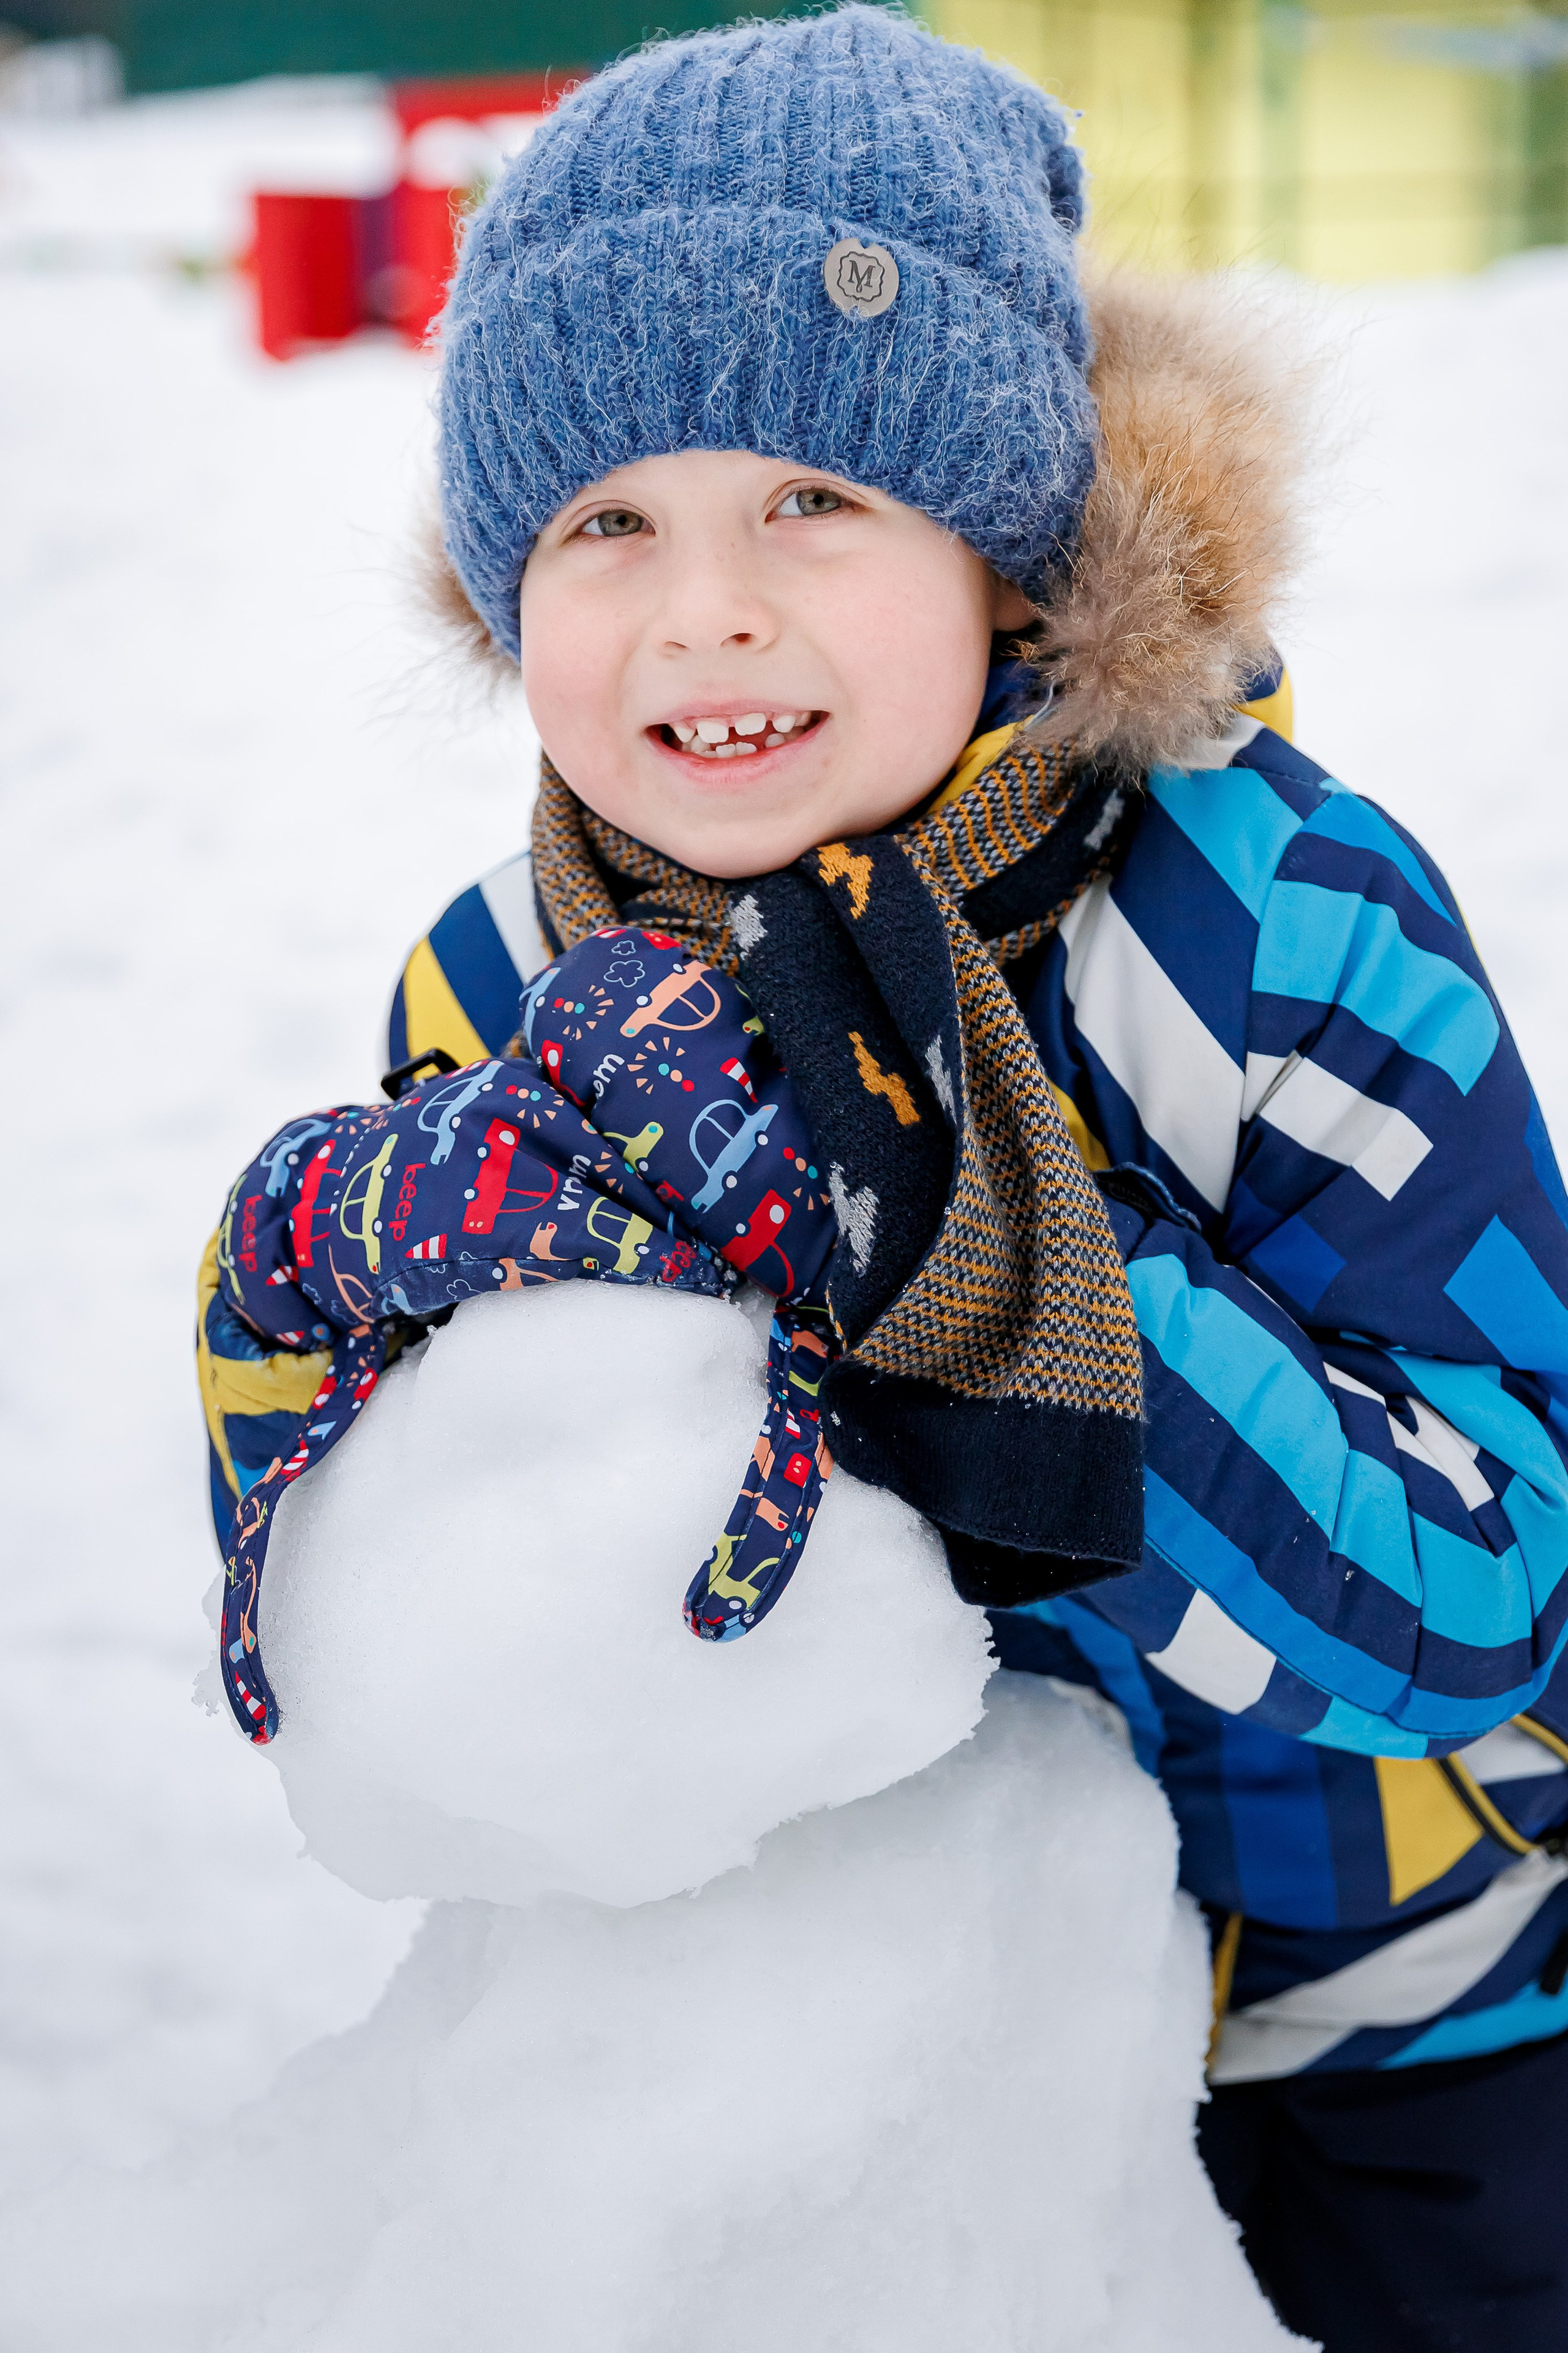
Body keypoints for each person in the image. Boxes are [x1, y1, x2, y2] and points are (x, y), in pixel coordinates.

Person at [197, 11, 1568, 2346]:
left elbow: (1494, 1583)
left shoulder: (1285, 926)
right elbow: (412, 1670)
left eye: (814, 500)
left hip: (1395, 2034)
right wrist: (295, 1332)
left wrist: (990, 1261)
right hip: (883, 2048)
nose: (706, 610)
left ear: (1010, 550)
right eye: (605, 523)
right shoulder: (504, 992)